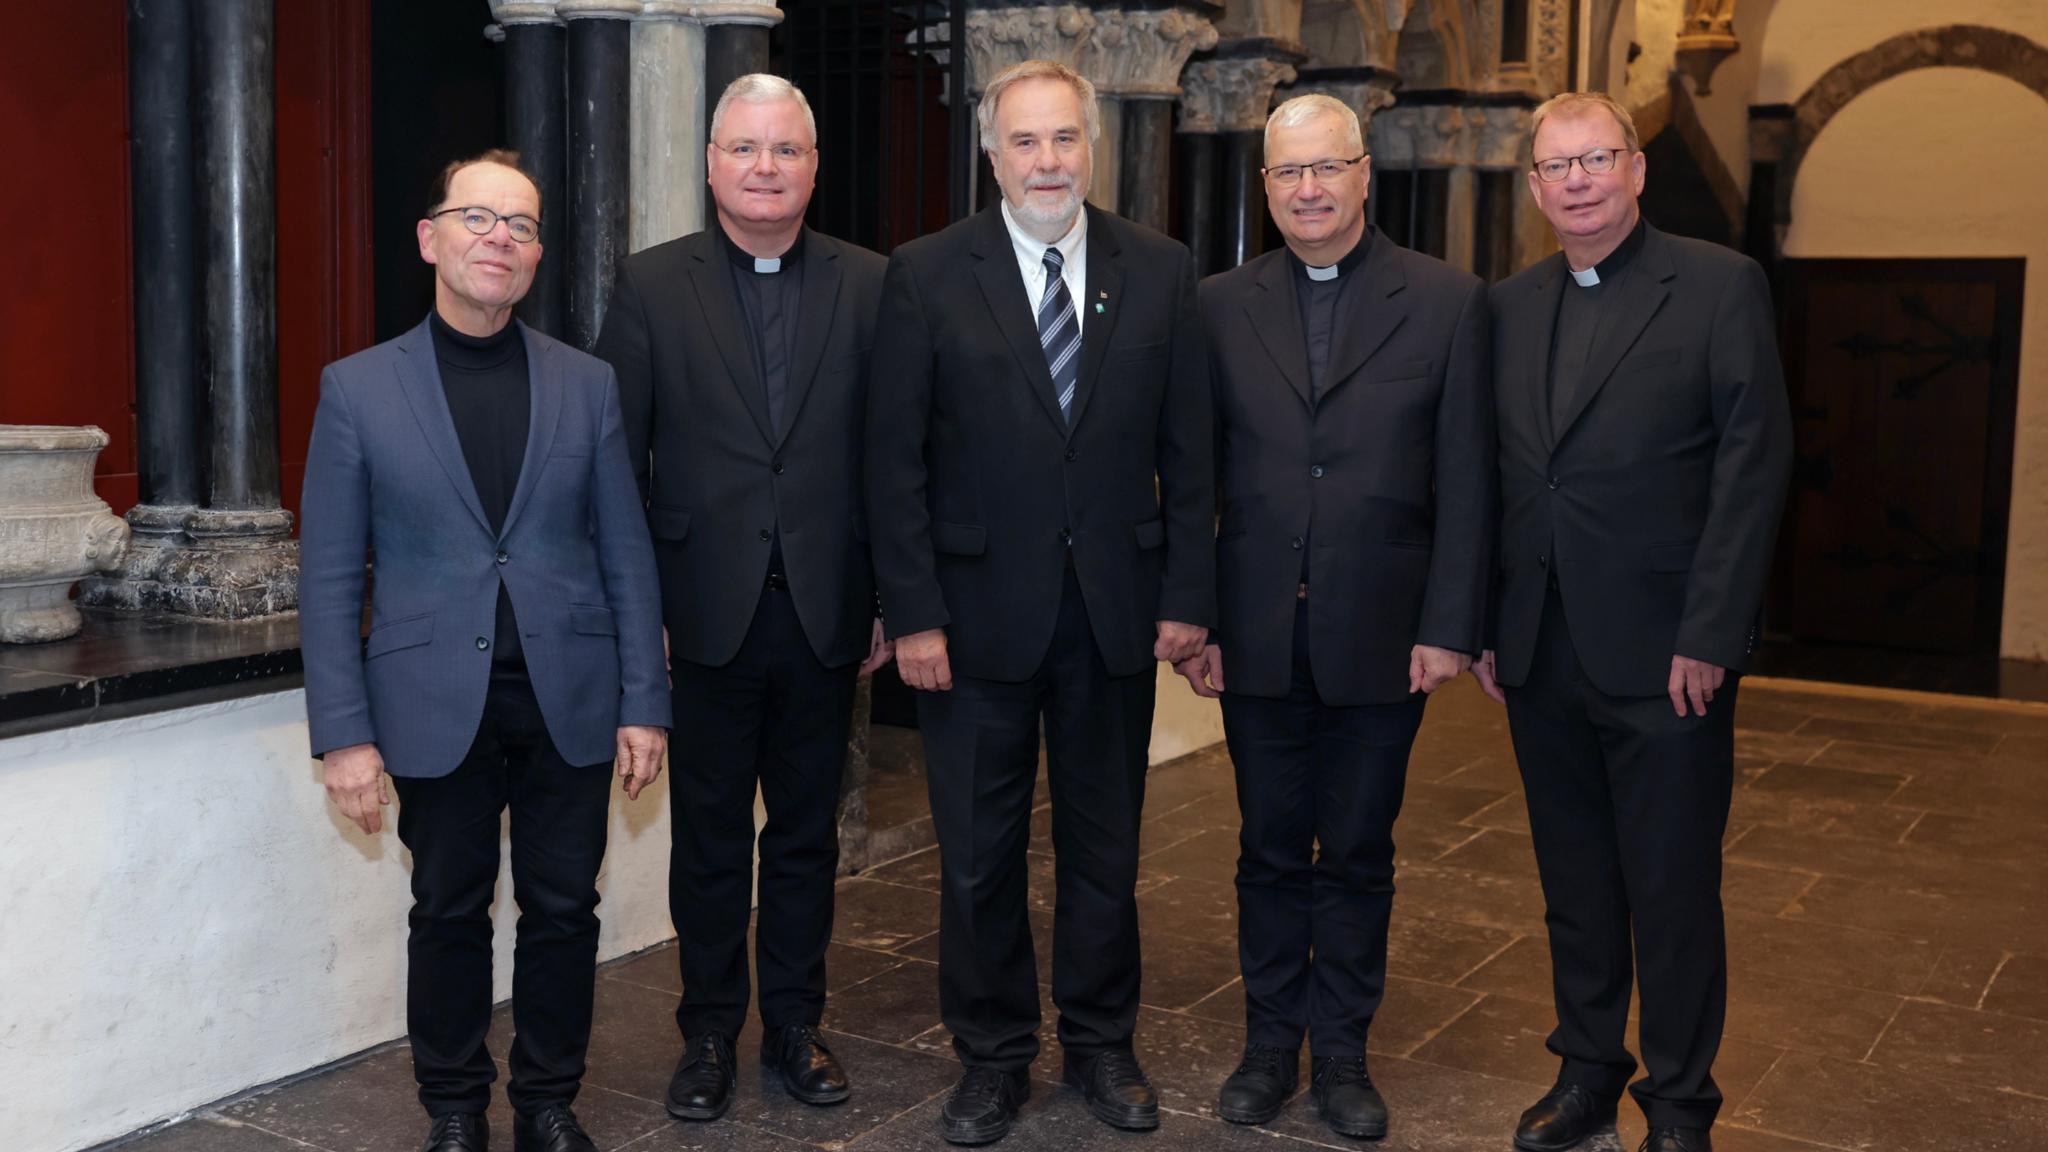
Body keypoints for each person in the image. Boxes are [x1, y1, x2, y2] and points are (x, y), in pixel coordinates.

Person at [865, 58, 1214, 1146]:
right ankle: (991, 1055)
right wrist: (911, 613)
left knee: (1106, 847)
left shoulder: (1157, 270)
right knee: (975, 853)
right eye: (1024, 142)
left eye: (1064, 139)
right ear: (992, 154)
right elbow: (893, 462)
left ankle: (1103, 1046)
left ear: (1091, 147)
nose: (1047, 160)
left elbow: (1190, 451)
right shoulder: (923, 274)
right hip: (968, 623)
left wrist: (1187, 595)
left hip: (1112, 611)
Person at [301, 150, 670, 1152]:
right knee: (447, 911)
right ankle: (455, 1110)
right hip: (429, 700)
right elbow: (330, 576)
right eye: (477, 216)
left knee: (564, 909)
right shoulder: (358, 389)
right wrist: (343, 734)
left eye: (520, 224)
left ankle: (549, 1102)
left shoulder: (586, 386)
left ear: (536, 254)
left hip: (571, 695)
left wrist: (646, 699)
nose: (498, 237)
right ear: (431, 238)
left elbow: (626, 556)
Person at [1473, 92, 1792, 1152]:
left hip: (1666, 654)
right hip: (1539, 646)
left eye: (1595, 159)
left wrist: (1711, 632)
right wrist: (1484, 619)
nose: (1575, 180)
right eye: (1554, 165)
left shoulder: (1713, 286)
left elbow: (1751, 470)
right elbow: (1495, 478)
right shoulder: (1508, 306)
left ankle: (1679, 1103)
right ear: (1531, 186)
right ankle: (1584, 1072)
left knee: (1669, 887)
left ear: (1635, 168)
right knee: (1574, 882)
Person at [1175, 92, 1493, 1141]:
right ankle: (1269, 1048)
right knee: (1267, 849)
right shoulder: (1217, 303)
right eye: (1285, 173)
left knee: (1356, 850)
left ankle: (1344, 1058)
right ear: (1263, 186)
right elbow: (1191, 475)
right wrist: (1195, 618)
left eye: (1325, 168)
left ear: (1364, 174)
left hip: (1380, 633)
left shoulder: (1446, 301)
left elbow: (1466, 480)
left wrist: (1449, 623)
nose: (1306, 190)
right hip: (1256, 629)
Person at [593, 73, 891, 1123]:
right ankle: (710, 1034)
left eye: (785, 151)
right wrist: (640, 618)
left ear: (813, 165)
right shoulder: (650, 285)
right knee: (710, 839)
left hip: (825, 610)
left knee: (808, 836)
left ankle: (797, 1028)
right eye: (745, 149)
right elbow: (614, 465)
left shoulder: (870, 284)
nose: (764, 168)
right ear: (712, 161)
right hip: (699, 616)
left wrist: (890, 601)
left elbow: (892, 458)